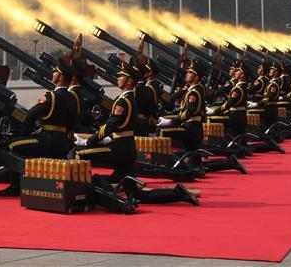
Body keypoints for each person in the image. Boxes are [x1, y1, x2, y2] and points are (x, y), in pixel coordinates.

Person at [73, 60, 198, 206]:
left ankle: (81, 197)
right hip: (126, 146)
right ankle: (176, 193)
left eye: (121, 77)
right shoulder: (129, 99)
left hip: (120, 149)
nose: (118, 78)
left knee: (78, 153)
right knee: (136, 193)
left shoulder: (123, 102)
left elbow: (110, 126)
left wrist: (88, 141)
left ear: (130, 81)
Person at [0, 56, 78, 196]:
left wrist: (22, 133)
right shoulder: (73, 98)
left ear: (60, 78)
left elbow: (30, 115)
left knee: (11, 145)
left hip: (47, 140)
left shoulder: (51, 97)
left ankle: (15, 186)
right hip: (63, 143)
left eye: (55, 72)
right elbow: (74, 124)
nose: (52, 74)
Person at [157, 58, 207, 150]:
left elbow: (188, 112)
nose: (187, 74)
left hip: (191, 128)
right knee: (193, 158)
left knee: (161, 131)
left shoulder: (193, 93)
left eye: (190, 73)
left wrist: (171, 122)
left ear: (196, 77)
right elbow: (173, 97)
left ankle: (165, 159)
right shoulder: (194, 89)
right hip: (192, 126)